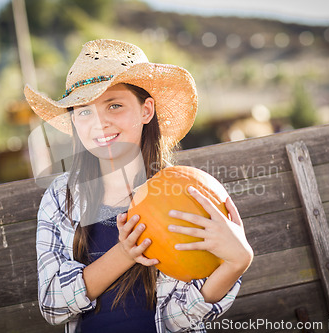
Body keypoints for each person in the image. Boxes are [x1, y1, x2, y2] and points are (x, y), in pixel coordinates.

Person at [24, 39, 253, 333]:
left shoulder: (184, 192)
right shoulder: (61, 197)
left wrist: (236, 263)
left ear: (146, 111)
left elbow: (179, 319)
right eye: (83, 111)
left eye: (114, 105)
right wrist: (124, 253)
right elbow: (52, 305)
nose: (99, 123)